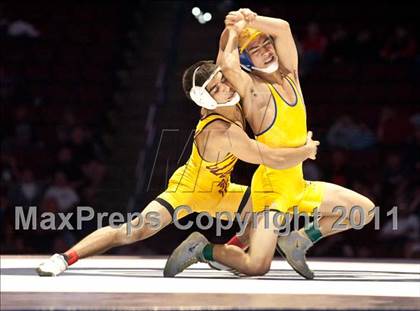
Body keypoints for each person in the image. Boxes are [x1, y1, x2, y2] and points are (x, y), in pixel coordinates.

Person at [36, 60, 318, 276]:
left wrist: (233, 29)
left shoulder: (233, 100)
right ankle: (64, 258)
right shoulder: (219, 130)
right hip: (188, 191)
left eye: (223, 81)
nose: (227, 87)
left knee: (265, 214)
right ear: (205, 100)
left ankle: (216, 253)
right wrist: (304, 151)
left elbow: (226, 60)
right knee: (132, 231)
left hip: (220, 190)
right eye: (217, 88)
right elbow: (268, 157)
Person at [164, 9, 375, 279]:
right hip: (271, 191)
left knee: (364, 210)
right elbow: (226, 64)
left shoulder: (291, 75)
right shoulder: (253, 89)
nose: (266, 50)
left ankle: (297, 241)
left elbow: (284, 28)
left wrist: (251, 20)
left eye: (266, 43)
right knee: (256, 266)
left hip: (296, 184)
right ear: (245, 59)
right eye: (255, 49)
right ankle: (201, 249)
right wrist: (234, 28)